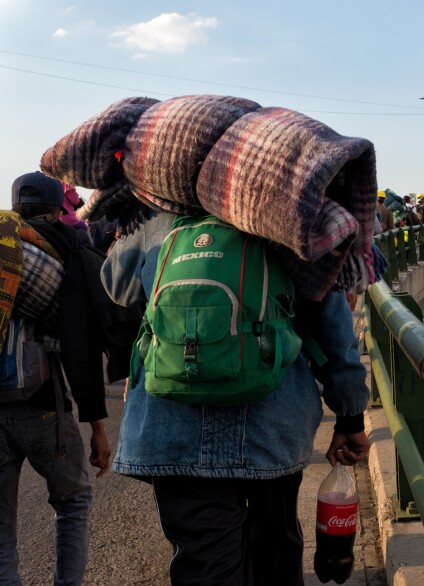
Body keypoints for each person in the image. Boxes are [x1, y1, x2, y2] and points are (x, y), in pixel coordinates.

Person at [101, 203, 370, 585]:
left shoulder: (157, 216)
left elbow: (116, 284)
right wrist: (349, 415)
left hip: (173, 427)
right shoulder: (289, 211)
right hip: (273, 423)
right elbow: (331, 324)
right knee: (276, 551)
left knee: (204, 562)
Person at [0, 171, 111, 586]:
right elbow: (79, 353)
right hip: (45, 408)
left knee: (2, 535)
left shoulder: (4, 247)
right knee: (73, 503)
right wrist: (97, 427)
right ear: (55, 210)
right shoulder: (66, 255)